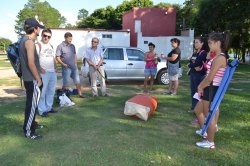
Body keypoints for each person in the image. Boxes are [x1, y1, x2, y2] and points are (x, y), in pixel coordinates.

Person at [194, 32, 231, 149]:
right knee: (198, 110)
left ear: (217, 43)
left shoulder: (220, 58)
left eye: (210, 43)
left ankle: (210, 142)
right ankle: (205, 131)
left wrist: (200, 87)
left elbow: (210, 78)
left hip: (211, 89)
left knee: (209, 115)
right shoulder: (217, 56)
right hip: (211, 88)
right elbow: (209, 68)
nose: (208, 45)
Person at [20, 18, 45, 140]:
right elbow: (30, 63)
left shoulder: (24, 39)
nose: (39, 29)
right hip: (32, 79)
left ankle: (32, 124)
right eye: (38, 27)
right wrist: (38, 79)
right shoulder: (29, 41)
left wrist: (40, 70)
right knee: (31, 105)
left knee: (32, 104)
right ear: (34, 28)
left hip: (29, 78)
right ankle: (29, 131)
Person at [56, 32, 84, 98]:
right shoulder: (60, 46)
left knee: (77, 81)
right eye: (69, 39)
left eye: (71, 39)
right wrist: (63, 64)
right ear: (65, 38)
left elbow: (75, 55)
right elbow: (57, 57)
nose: (70, 40)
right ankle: (64, 96)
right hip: (66, 68)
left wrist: (75, 63)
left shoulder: (72, 46)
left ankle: (80, 94)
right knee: (66, 83)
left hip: (74, 67)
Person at [37, 28, 57, 117]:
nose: (46, 38)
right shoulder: (38, 44)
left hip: (52, 71)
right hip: (43, 72)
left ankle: (49, 107)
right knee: (42, 92)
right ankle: (42, 110)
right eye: (44, 36)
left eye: (48, 36)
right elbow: (34, 58)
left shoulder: (51, 45)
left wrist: (55, 66)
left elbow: (53, 57)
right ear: (42, 35)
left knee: (51, 91)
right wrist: (40, 68)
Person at [188, 37, 208, 112]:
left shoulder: (203, 53)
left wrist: (191, 65)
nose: (195, 44)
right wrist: (191, 65)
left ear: (202, 43)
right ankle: (194, 107)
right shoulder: (195, 52)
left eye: (197, 42)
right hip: (193, 73)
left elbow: (198, 63)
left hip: (199, 75)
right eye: (194, 42)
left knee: (198, 91)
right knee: (193, 91)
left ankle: (199, 108)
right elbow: (190, 62)